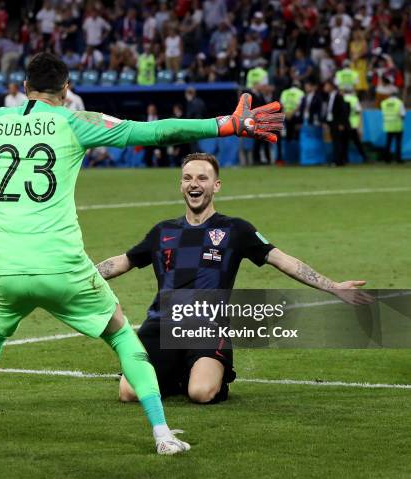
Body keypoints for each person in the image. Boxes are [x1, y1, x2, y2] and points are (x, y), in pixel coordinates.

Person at [0, 52, 283, 455]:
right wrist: (226, 124)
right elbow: (154, 131)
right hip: (61, 266)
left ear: (24, 88)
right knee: (122, 333)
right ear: (66, 90)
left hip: (6, 268)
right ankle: (162, 434)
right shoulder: (75, 122)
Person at [96, 153, 371, 405]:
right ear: (181, 186)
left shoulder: (235, 229)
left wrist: (333, 286)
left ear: (216, 185)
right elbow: (122, 262)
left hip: (208, 327)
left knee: (201, 393)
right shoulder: (163, 231)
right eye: (188, 178)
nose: (195, 184)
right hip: (162, 326)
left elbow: (283, 260)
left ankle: (200, 375)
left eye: (203, 178)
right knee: (128, 393)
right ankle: (175, 372)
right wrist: (72, 277)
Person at [322, 80, 350, 166]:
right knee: (334, 141)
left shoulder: (338, 96)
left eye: (326, 86)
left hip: (337, 122)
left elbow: (343, 111)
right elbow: (329, 110)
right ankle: (337, 160)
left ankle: (338, 161)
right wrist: (326, 121)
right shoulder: (329, 96)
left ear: (331, 86)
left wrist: (341, 123)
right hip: (332, 122)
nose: (324, 88)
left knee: (338, 142)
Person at [380, 89, 405, 163]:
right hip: (397, 125)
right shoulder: (399, 102)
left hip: (388, 124)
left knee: (388, 143)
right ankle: (398, 159)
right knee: (398, 143)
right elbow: (403, 114)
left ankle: (387, 159)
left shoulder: (384, 102)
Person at [342, 87, 367, 162]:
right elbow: (358, 110)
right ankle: (365, 157)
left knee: (344, 143)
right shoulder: (354, 99)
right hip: (353, 124)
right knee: (357, 142)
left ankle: (345, 159)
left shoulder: (341, 98)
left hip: (344, 123)